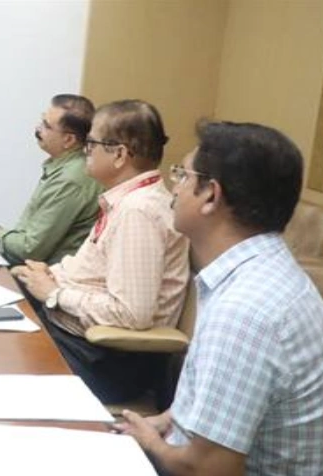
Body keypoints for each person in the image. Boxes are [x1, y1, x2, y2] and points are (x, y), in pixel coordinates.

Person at [116, 122, 323, 475]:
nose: (174, 187)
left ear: (211, 195)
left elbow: (206, 469)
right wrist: (167, 420)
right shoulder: (265, 272)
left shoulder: (245, 311)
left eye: (183, 176)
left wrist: (148, 442)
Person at [11, 99, 189, 403]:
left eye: (91, 143)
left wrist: (55, 293)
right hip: (80, 343)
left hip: (104, 361)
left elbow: (131, 314)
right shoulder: (124, 201)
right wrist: (49, 274)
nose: (85, 150)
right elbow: (92, 272)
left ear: (119, 154)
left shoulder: (138, 212)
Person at [0, 94, 102, 265]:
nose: (38, 129)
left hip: (43, 274)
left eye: (46, 126)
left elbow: (30, 250)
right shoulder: (65, 167)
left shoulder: (69, 180)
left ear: (68, 140)